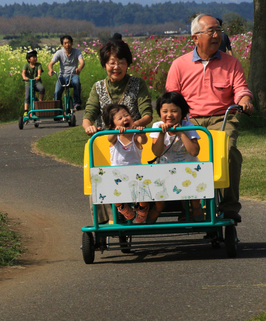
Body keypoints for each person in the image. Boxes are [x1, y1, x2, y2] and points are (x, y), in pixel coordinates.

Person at [165, 13, 254, 223]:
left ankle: (229, 206)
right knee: (179, 155)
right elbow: (171, 98)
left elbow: (241, 89)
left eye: (219, 31)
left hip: (221, 119)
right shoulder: (179, 65)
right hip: (188, 121)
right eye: (211, 31)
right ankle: (186, 204)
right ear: (195, 38)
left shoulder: (232, 63)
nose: (216, 35)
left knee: (229, 152)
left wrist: (245, 100)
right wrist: (175, 120)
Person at [83, 40, 153, 224]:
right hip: (108, 142)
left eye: (121, 62)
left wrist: (133, 126)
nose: (116, 67)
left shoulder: (138, 84)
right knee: (97, 177)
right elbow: (89, 113)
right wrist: (88, 126)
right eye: (112, 62)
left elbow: (147, 113)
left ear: (128, 63)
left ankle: (145, 210)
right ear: (105, 64)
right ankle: (105, 222)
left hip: (136, 140)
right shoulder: (98, 87)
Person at [147, 92, 204, 223]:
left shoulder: (188, 126)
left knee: (196, 175)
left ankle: (195, 206)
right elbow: (157, 152)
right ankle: (158, 207)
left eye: (174, 111)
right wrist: (161, 134)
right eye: (165, 111)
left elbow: (194, 152)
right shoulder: (157, 126)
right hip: (164, 169)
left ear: (182, 112)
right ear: (159, 112)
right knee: (157, 180)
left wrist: (181, 133)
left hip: (188, 169)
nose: (169, 115)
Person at [103, 104, 150, 224]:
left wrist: (141, 133)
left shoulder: (135, 137)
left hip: (136, 174)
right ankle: (121, 206)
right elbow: (110, 138)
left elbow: (143, 141)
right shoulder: (115, 139)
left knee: (145, 186)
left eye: (127, 115)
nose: (125, 119)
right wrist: (115, 132)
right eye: (120, 118)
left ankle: (143, 207)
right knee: (108, 185)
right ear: (112, 125)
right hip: (117, 175)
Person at [48, 35, 85, 110]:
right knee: (57, 92)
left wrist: (79, 68)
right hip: (62, 76)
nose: (67, 45)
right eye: (65, 43)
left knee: (76, 83)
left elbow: (82, 62)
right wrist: (50, 70)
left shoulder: (77, 51)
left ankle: (76, 103)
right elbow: (50, 64)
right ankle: (58, 110)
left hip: (73, 75)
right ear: (62, 45)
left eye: (69, 42)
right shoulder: (59, 53)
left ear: (71, 43)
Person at [22, 50, 45, 116]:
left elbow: (39, 72)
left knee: (42, 88)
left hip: (37, 82)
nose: (35, 58)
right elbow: (23, 72)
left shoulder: (38, 64)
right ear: (28, 59)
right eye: (33, 57)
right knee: (27, 96)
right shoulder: (26, 65)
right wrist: (24, 77)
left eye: (35, 57)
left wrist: (38, 76)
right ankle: (26, 111)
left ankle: (40, 103)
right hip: (28, 83)